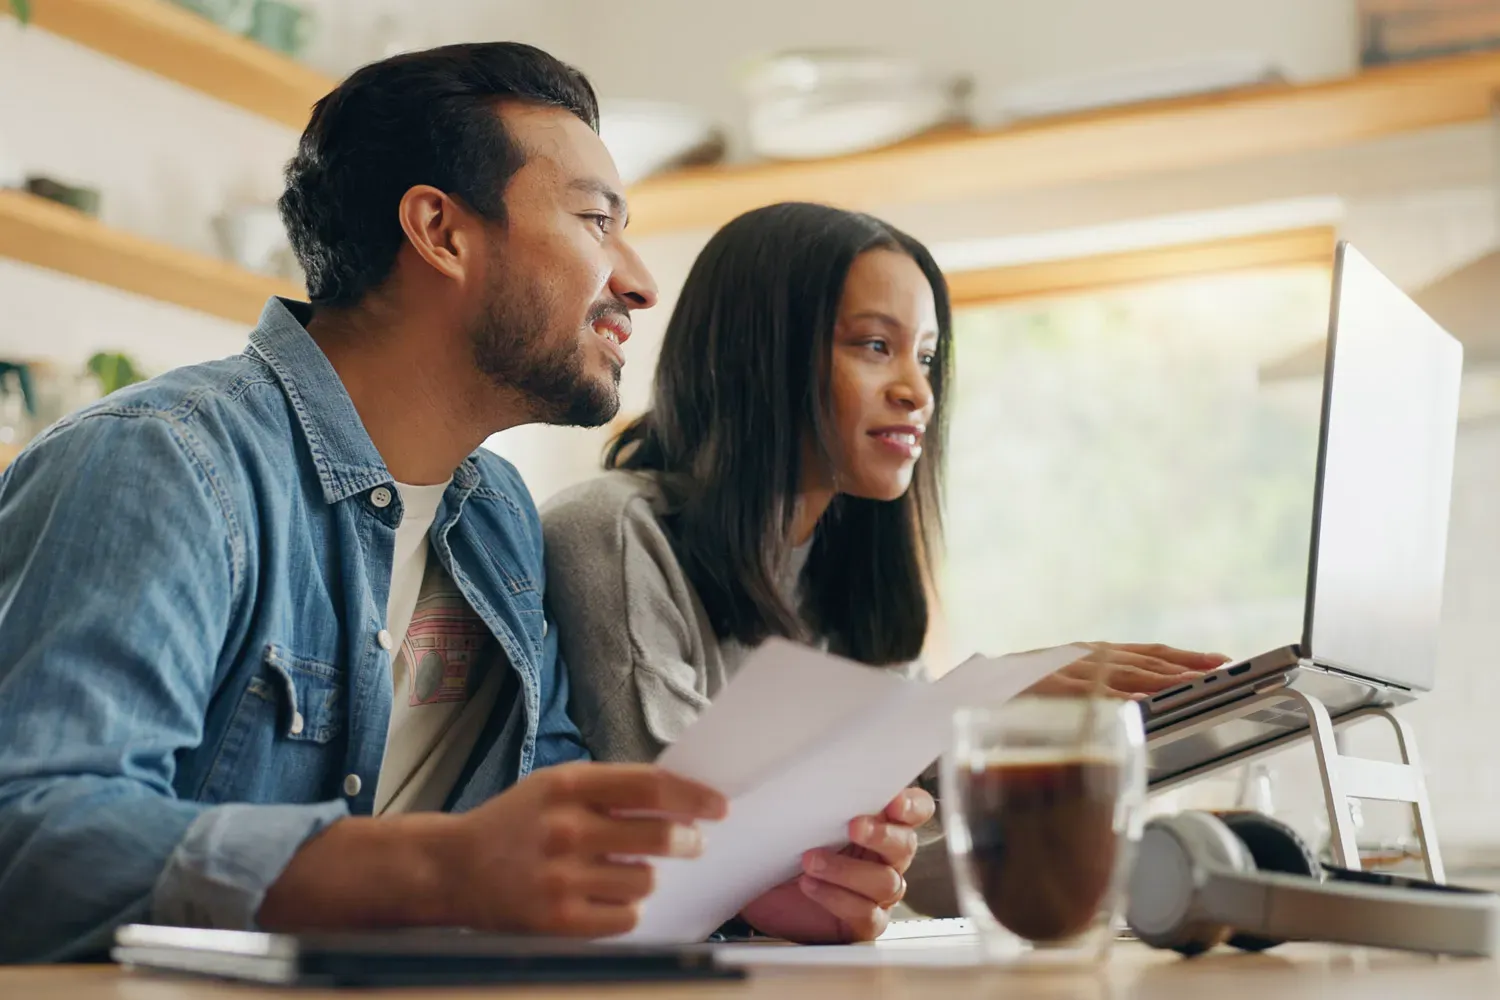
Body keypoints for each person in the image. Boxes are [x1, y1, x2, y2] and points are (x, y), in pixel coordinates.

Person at [0, 47, 929, 963]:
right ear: (440, 232)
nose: (640, 283)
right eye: (597, 221)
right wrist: (434, 871)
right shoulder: (162, 465)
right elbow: (31, 840)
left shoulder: (498, 521)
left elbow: (549, 825)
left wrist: (741, 889)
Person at [541, 202, 1229, 917]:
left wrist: (1043, 765)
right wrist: (964, 710)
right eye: (875, 346)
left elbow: (918, 879)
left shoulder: (851, 582)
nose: (918, 391)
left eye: (926, 357)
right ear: (756, 353)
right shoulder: (611, 530)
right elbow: (682, 824)